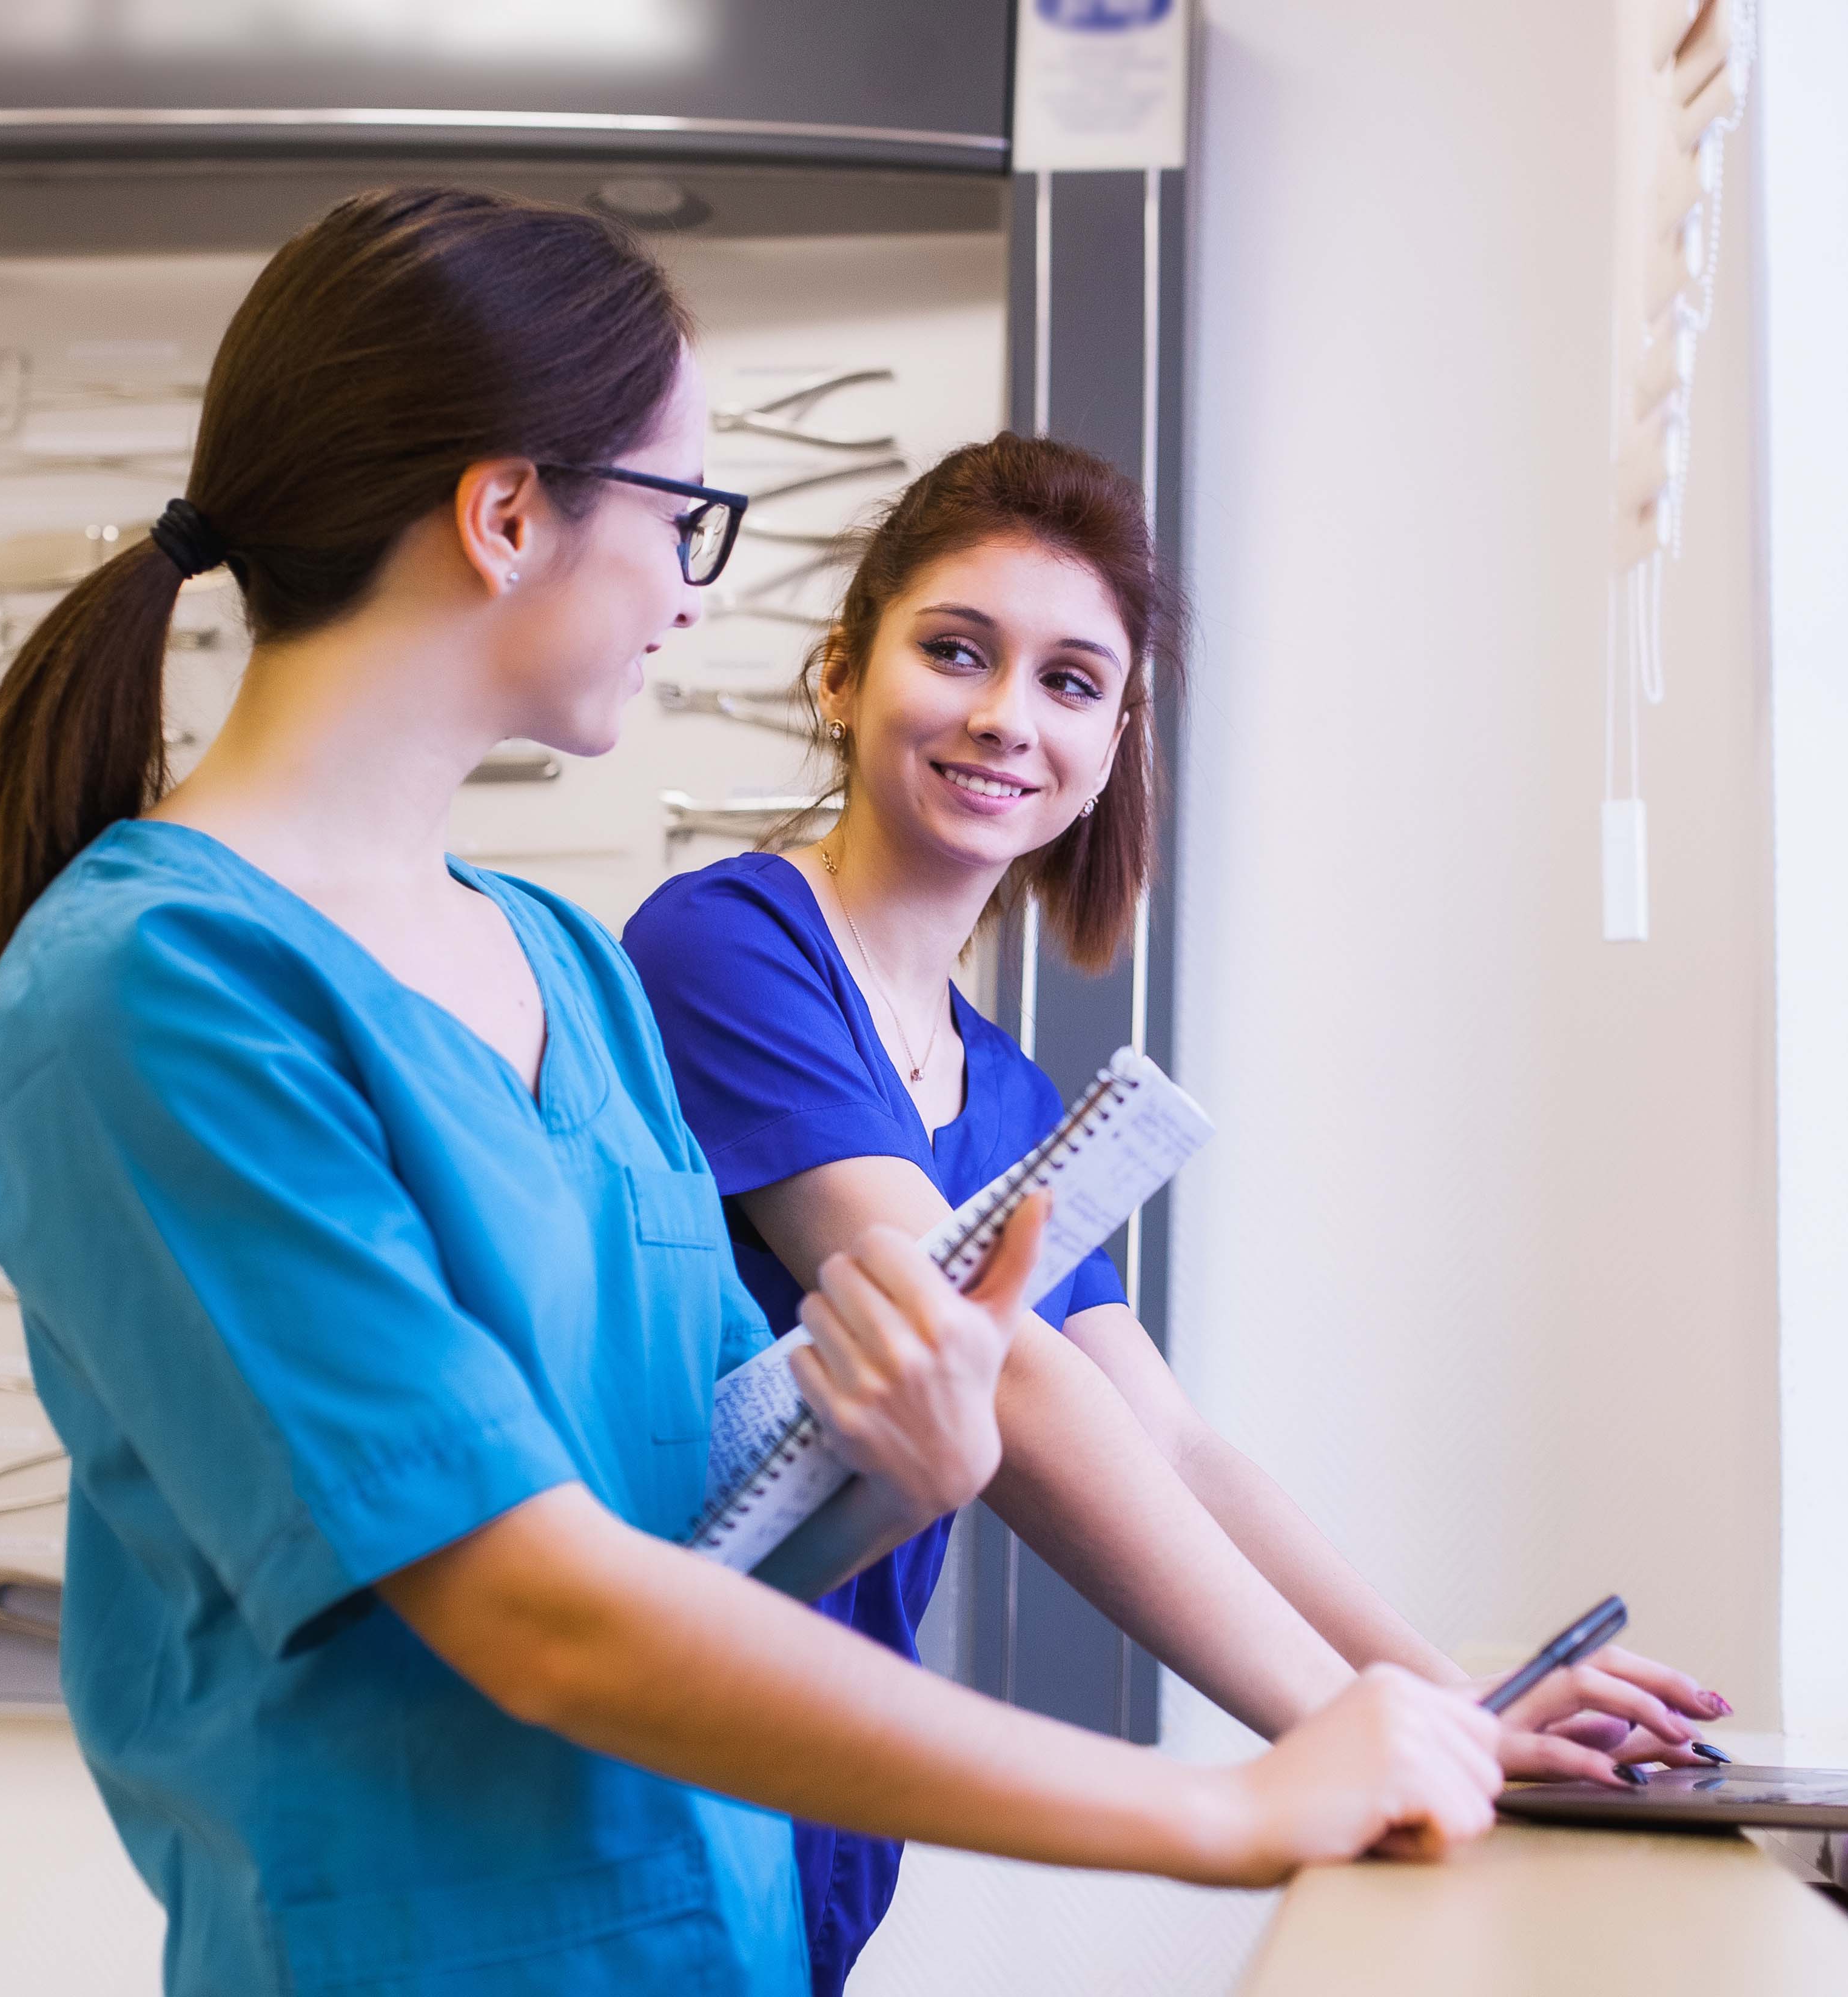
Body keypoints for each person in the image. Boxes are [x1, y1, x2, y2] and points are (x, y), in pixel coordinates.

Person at [0, 189, 1523, 1996]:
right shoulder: (161, 989)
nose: (693, 590)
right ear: (509, 514)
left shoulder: (569, 969)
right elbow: (531, 1608)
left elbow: (702, 1505)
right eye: (683, 516)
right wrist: (1221, 1811)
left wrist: (899, 1466)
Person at [623, 433, 1731, 1993]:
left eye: (1073, 682)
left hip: (816, 1824)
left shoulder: (1004, 1091)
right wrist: (1326, 1730)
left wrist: (1452, 1699)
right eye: (955, 652)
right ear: (839, 674)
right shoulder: (729, 944)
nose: (1007, 716)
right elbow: (969, 1349)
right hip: (655, 1793)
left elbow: (1173, 1443)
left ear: (1116, 735)